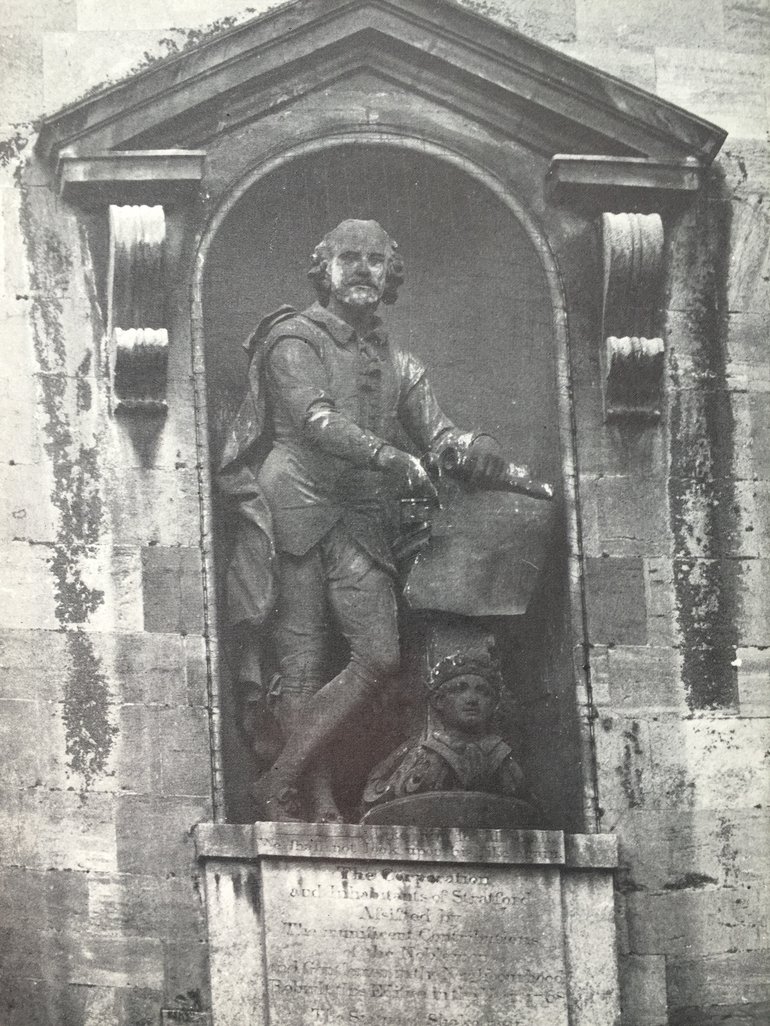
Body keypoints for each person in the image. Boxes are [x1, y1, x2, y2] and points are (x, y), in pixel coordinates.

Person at [220, 218, 508, 822]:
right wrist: (389, 455)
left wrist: (472, 445)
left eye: (374, 260)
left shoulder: (398, 362)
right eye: (348, 257)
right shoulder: (293, 338)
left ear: (389, 274)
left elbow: (438, 431)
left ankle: (279, 776)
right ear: (323, 269)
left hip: (359, 514)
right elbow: (314, 419)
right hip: (293, 501)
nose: (361, 269)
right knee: (302, 661)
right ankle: (316, 799)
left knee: (379, 656)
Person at [361, 644, 526, 812]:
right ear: (439, 701)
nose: (472, 699)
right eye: (460, 689)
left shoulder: (502, 757)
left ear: (492, 705)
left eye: (483, 691)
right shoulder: (425, 754)